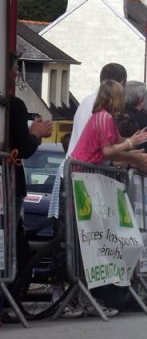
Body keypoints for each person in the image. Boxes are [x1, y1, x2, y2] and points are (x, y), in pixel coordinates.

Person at [4, 53, 53, 320]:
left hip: (10, 187)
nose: (16, 75)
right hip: (9, 189)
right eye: (13, 69)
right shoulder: (14, 106)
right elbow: (24, 148)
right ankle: (10, 302)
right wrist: (34, 133)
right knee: (16, 249)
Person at [70, 80, 147, 166]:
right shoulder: (104, 117)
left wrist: (138, 139)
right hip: (82, 167)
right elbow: (107, 151)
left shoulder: (104, 115)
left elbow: (118, 141)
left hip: (82, 166)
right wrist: (130, 142)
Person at [67, 63, 127, 156]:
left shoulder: (88, 101)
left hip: (78, 163)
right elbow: (100, 147)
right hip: (82, 166)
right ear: (122, 83)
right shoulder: (99, 107)